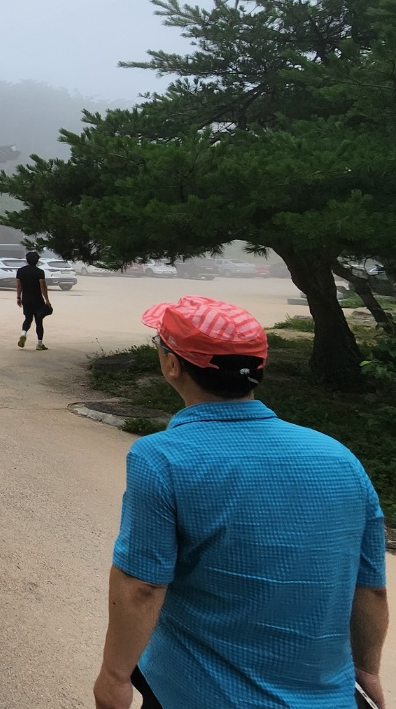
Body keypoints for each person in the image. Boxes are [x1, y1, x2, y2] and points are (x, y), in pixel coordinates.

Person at [94, 296, 388, 709]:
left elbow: (142, 587)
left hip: (197, 693)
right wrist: (367, 669)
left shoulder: (161, 458)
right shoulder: (339, 458)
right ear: (258, 369)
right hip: (328, 698)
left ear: (172, 365)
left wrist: (114, 677)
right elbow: (370, 587)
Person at [15, 250, 50, 349]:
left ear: (27, 260)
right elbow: (43, 286)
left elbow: (19, 286)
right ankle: (39, 344)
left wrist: (18, 297)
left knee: (28, 318)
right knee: (39, 321)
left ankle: (23, 334)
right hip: (37, 299)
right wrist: (47, 299)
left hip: (26, 299)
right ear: (37, 261)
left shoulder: (20, 271)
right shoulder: (40, 272)